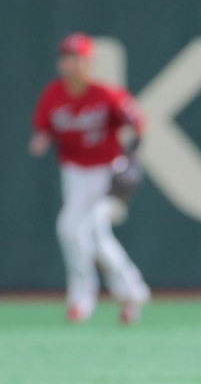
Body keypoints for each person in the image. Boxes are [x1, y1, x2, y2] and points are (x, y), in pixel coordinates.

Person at [29, 32, 150, 324]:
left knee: (90, 230)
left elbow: (137, 122)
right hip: (74, 173)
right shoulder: (53, 94)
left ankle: (86, 298)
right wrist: (42, 139)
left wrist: (131, 157)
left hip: (107, 171)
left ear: (87, 62)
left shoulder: (105, 94)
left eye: (76, 58)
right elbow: (43, 128)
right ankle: (130, 291)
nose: (70, 64)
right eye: (66, 58)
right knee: (75, 231)